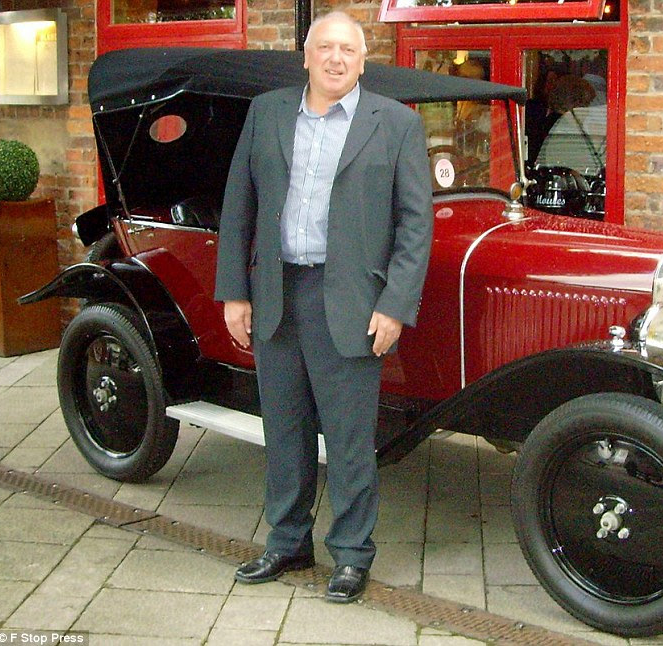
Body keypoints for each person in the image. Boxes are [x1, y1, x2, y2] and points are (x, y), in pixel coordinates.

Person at [214, 11, 433, 603]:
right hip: (277, 294)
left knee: (349, 437)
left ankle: (353, 554)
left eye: (349, 50)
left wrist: (395, 306)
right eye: (325, 47)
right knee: (283, 429)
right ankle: (286, 541)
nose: (336, 59)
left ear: (363, 61)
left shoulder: (396, 125)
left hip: (353, 303)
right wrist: (234, 290)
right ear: (305, 55)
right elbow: (238, 203)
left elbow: (416, 225)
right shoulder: (267, 112)